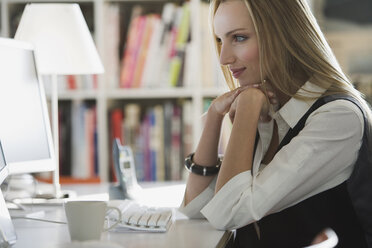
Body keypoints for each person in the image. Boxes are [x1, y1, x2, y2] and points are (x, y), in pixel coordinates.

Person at [179, 0, 372, 247]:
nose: (224, 59)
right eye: (219, 40)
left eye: (238, 38)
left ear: (283, 36)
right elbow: (196, 209)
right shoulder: (272, 104)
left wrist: (248, 107)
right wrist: (214, 118)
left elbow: (226, 213)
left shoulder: (338, 118)